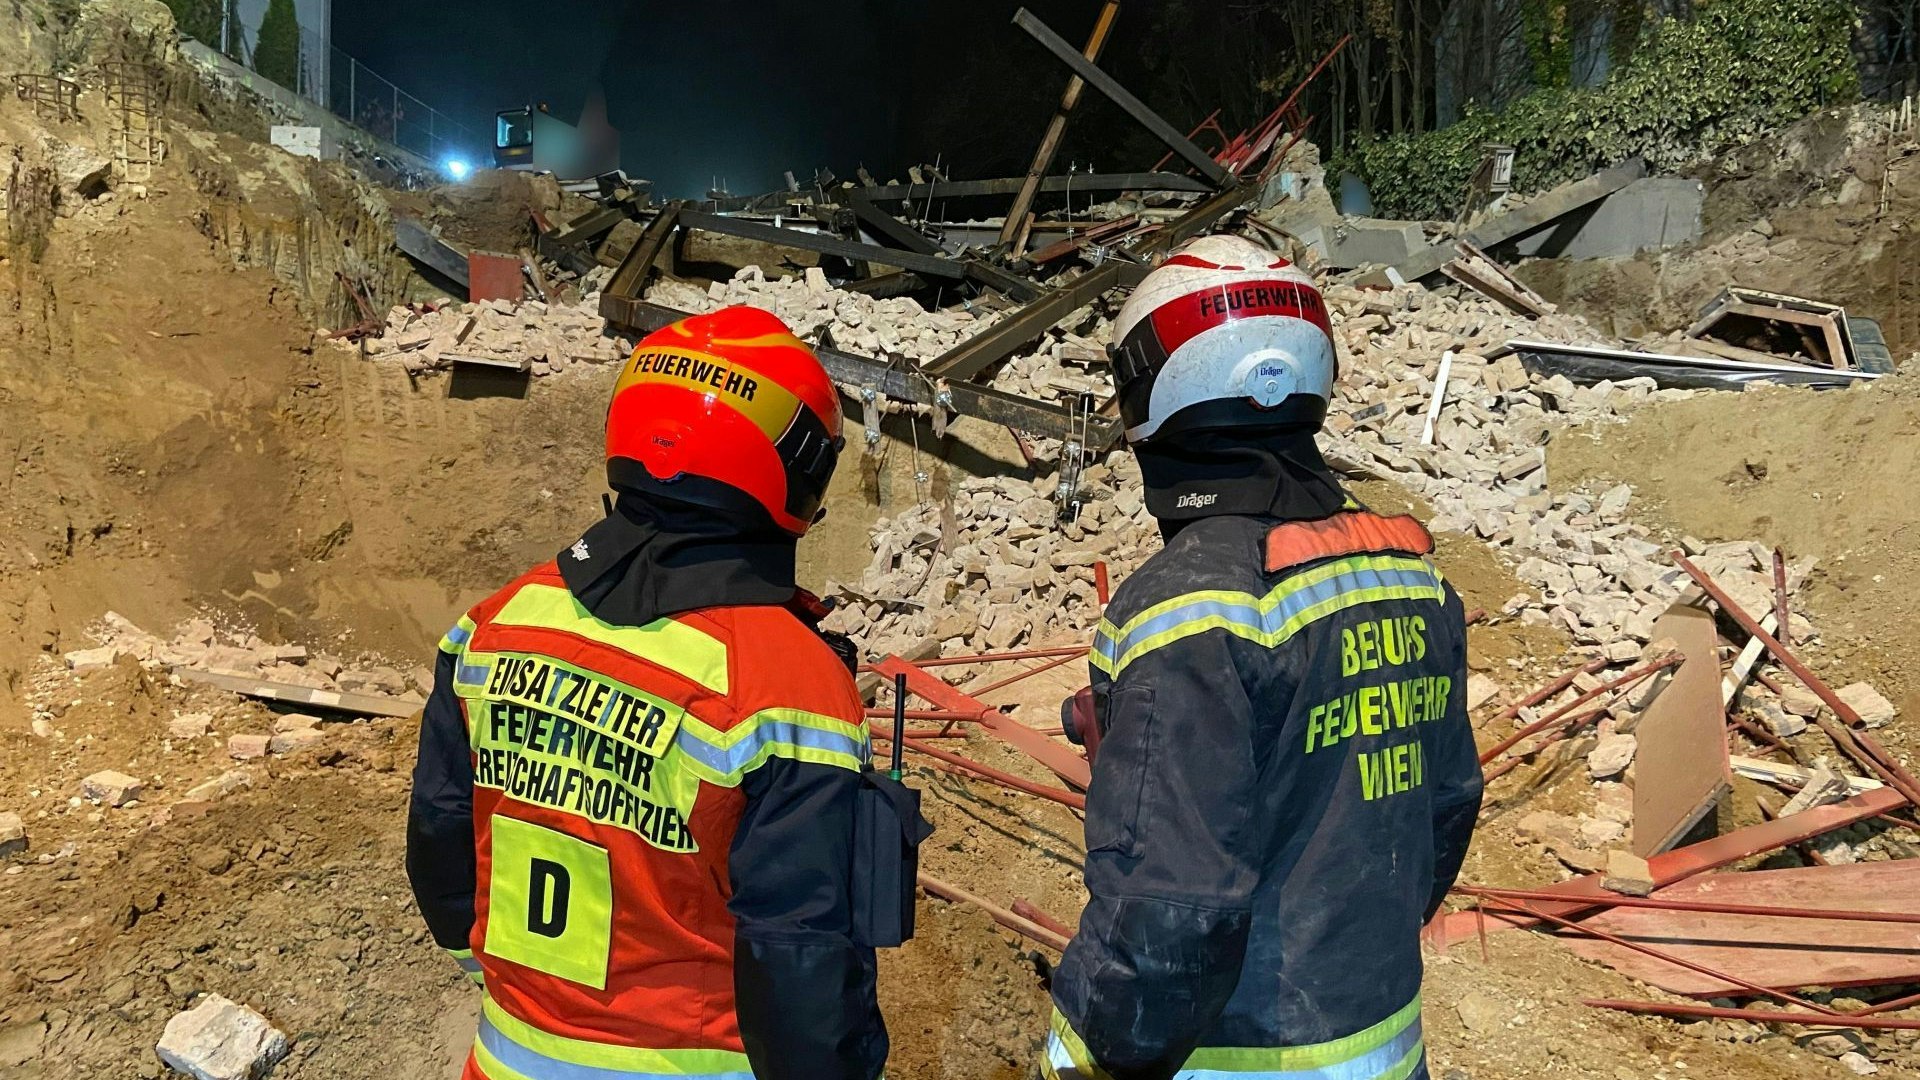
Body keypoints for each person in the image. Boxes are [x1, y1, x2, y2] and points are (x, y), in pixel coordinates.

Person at [407, 305, 891, 1080]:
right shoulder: (787, 686)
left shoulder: (497, 623)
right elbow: (801, 961)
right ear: (798, 470)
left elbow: (441, 843)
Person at [1040, 236, 1483, 1080]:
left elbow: (1167, 915)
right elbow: (1445, 805)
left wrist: (1083, 1062)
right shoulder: (1412, 576)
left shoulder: (1185, 611)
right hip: (1384, 1044)